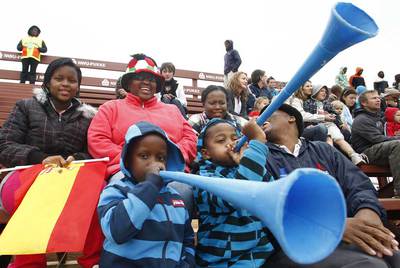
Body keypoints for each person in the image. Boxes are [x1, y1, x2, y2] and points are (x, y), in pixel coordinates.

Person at [261, 104, 400, 268]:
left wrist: (368, 214)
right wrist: (332, 227)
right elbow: (271, 208)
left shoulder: (323, 150)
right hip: (296, 246)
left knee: (394, 256)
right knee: (370, 265)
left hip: (344, 237)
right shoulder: (259, 156)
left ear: (291, 117)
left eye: (269, 114)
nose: (262, 119)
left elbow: (359, 185)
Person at [0, 58, 101, 268]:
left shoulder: (88, 117)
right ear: (47, 82)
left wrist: (79, 159)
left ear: (78, 86)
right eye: (59, 78)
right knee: (38, 192)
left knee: (100, 191)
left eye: (72, 80)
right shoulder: (26, 107)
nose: (65, 84)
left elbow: (92, 151)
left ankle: (93, 262)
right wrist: (39, 158)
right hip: (27, 174)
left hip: (71, 178)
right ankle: (28, 263)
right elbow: (5, 144)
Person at [97, 121, 195, 267]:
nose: (154, 164)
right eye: (144, 156)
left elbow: (187, 239)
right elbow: (117, 231)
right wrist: (150, 186)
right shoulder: (116, 190)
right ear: (128, 160)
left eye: (161, 158)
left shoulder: (176, 199)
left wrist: (187, 263)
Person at [88, 54, 197, 178]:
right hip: (125, 173)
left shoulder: (173, 110)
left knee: (185, 192)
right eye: (139, 77)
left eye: (151, 79)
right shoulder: (110, 108)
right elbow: (97, 140)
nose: (146, 82)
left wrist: (169, 158)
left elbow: (190, 138)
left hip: (172, 173)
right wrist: (134, 161)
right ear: (128, 83)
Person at [194, 118, 274, 267]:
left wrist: (244, 161)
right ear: (205, 153)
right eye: (220, 140)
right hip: (223, 261)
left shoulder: (245, 168)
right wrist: (256, 144)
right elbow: (239, 196)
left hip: (260, 254)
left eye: (235, 138)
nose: (231, 143)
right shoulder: (202, 179)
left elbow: (270, 191)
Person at [352, 90, 400, 197]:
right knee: (397, 145)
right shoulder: (361, 119)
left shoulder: (377, 117)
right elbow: (377, 139)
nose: (378, 100)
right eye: (374, 98)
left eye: (378, 98)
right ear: (364, 103)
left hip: (380, 149)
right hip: (366, 153)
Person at [303, 84, 364, 165]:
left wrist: (340, 123)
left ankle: (353, 155)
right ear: (315, 91)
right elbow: (308, 115)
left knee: (339, 139)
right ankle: (331, 157)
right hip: (318, 124)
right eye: (321, 91)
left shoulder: (326, 103)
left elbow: (335, 114)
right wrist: (309, 124)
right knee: (329, 139)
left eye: (325, 91)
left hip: (330, 124)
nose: (324, 93)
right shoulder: (308, 103)